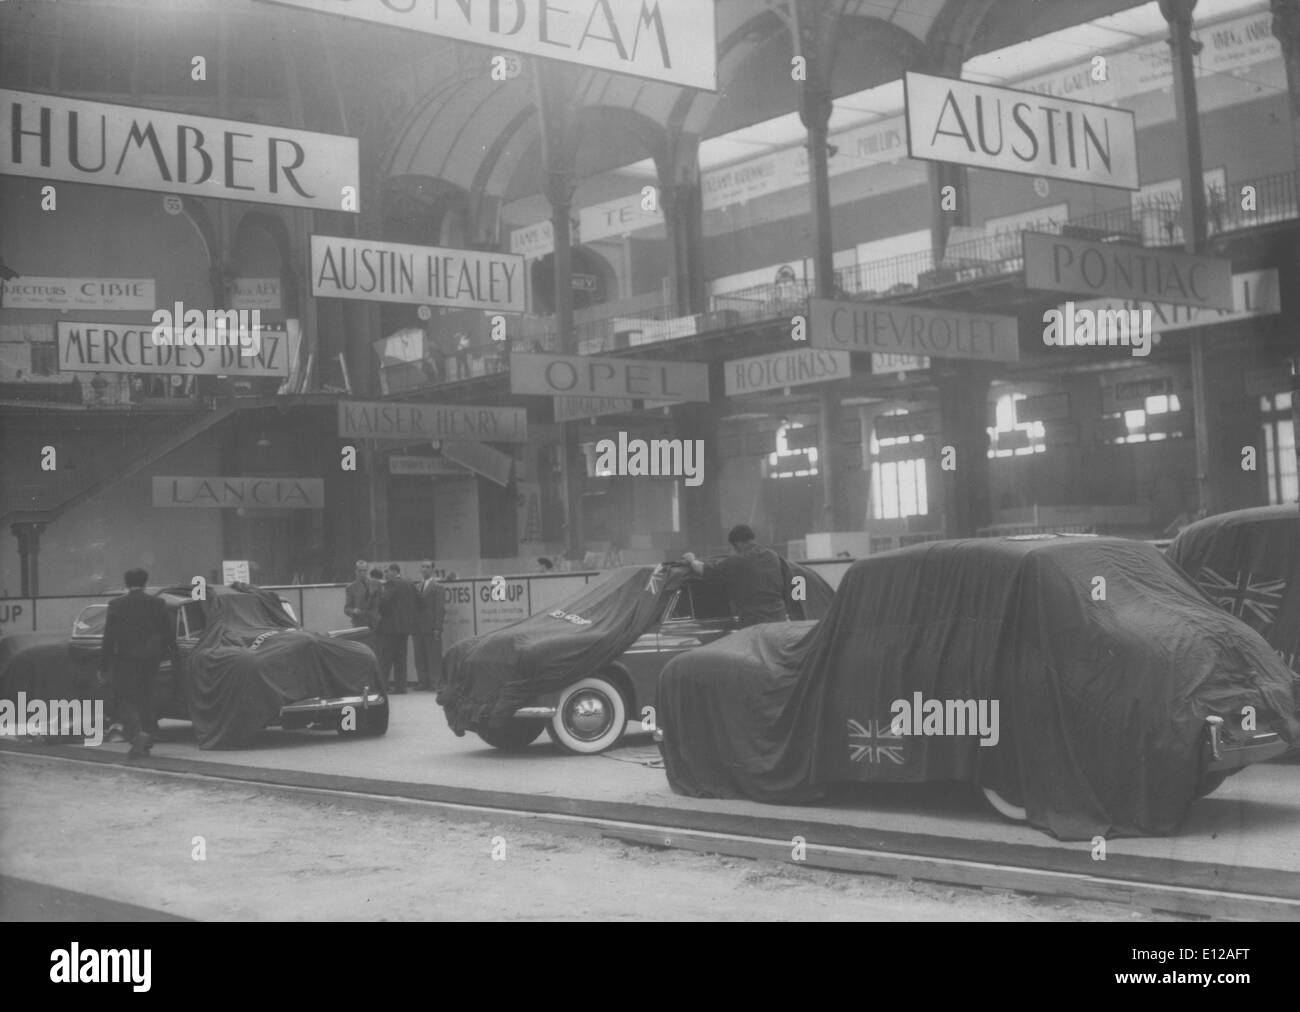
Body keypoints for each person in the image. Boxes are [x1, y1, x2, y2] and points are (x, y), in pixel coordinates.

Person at [99, 567, 175, 758]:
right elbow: (168, 634)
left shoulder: (116, 604)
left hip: (125, 660)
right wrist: (168, 655)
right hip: (151, 660)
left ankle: (136, 733)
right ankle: (147, 740)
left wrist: (103, 664)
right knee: (147, 698)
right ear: (145, 582)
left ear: (126, 583)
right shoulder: (158, 603)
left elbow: (109, 637)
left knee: (124, 699)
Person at [682, 524, 790, 628]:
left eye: (734, 547)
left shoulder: (737, 561)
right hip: (779, 619)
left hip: (755, 622)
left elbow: (704, 570)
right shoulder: (772, 555)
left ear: (737, 543)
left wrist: (691, 560)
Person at [376, 563, 420, 694]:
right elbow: (420, 601)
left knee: (386, 658)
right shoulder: (410, 583)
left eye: (387, 571)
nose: (385, 574)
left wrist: (384, 614)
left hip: (390, 627)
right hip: (405, 628)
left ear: (395, 571)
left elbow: (384, 601)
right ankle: (401, 687)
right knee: (401, 658)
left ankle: (382, 687)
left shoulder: (391, 583)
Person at [414, 560, 446, 692]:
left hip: (432, 626)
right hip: (417, 627)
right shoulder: (417, 586)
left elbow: (440, 609)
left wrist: (437, 627)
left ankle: (435, 682)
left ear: (432, 570)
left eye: (428, 567)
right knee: (419, 656)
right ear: (420, 569)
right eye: (423, 567)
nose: (425, 569)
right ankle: (423, 682)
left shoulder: (438, 587)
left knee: (434, 656)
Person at [344, 560, 371, 627]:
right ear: (355, 571)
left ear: (367, 571)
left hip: (375, 624)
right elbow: (346, 609)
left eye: (364, 570)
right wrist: (353, 611)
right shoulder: (350, 588)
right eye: (359, 571)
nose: (362, 573)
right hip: (359, 624)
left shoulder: (376, 584)